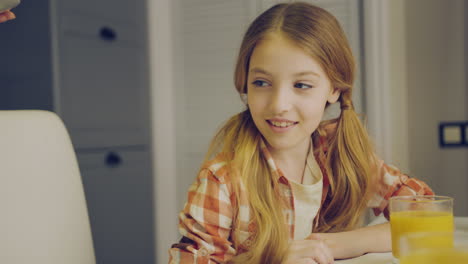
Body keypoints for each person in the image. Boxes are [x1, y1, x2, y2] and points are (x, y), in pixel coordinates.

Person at [169, 2, 433, 264]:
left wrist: (336, 244)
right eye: (261, 83)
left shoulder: (342, 157)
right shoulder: (223, 180)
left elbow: (428, 217)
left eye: (302, 85)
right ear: (245, 84)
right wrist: (266, 260)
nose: (279, 105)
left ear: (334, 89)